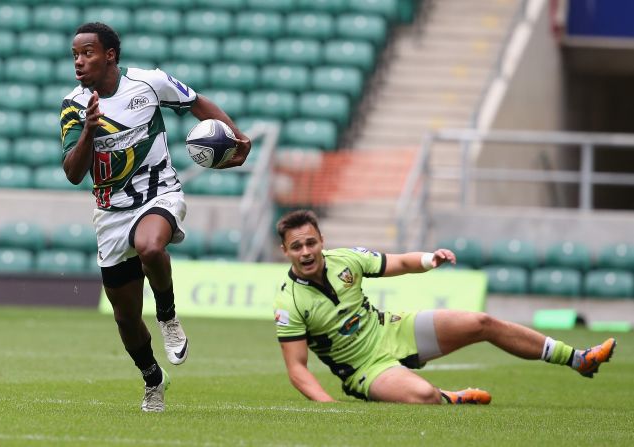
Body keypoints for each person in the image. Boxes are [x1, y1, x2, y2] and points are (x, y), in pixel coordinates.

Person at [60, 22, 251, 412]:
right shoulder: (73, 106)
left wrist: (236, 136)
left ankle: (168, 316)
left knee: (149, 247)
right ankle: (153, 378)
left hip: (159, 194)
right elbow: (73, 173)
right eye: (75, 55)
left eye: (88, 52)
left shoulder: (149, 83)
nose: (79, 61)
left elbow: (198, 102)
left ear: (110, 54)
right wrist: (89, 132)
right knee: (126, 319)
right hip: (111, 213)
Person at [273, 210, 616, 404]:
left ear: (322, 242)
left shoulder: (346, 259)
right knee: (424, 397)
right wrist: (328, 406)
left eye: (311, 242)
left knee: (482, 322)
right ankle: (451, 397)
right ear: (285, 251)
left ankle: (578, 359)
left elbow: (399, 263)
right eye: (297, 246)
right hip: (364, 369)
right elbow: (297, 369)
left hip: (393, 329)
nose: (306, 252)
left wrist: (428, 258)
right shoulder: (289, 302)